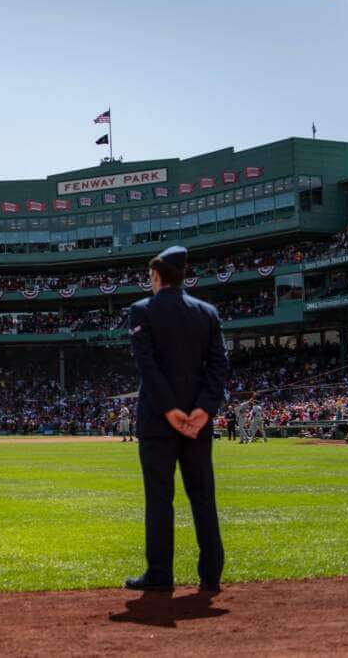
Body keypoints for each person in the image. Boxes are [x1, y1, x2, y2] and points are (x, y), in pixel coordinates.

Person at [125, 246, 229, 595]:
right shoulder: (208, 313)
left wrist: (171, 410)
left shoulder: (141, 311)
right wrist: (203, 409)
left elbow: (148, 367)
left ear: (156, 276)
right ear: (182, 276)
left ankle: (160, 573)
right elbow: (218, 366)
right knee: (203, 497)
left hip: (157, 422)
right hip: (198, 425)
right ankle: (211, 574)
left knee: (159, 498)